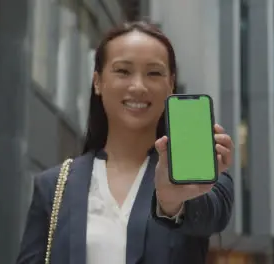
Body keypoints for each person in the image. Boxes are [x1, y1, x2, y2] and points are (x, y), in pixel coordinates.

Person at [16, 21, 234, 264]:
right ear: (98, 82)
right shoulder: (54, 186)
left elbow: (210, 216)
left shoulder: (199, 175)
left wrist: (172, 202)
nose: (138, 86)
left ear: (170, 84)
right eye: (123, 71)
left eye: (154, 73)